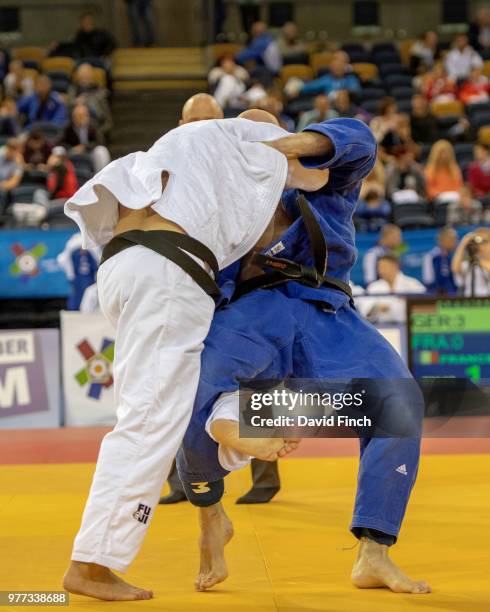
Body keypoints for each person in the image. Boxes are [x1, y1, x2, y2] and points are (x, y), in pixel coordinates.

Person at [61, 110, 331, 601]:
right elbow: (319, 170)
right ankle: (92, 563)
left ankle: (231, 447)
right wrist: (296, 143)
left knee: (170, 403)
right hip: (167, 271)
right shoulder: (250, 137)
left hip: (124, 267)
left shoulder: (178, 142)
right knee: (151, 420)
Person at [176, 113, 430, 595]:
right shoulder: (219, 208)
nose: (253, 144)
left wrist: (277, 151)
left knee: (399, 402)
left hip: (326, 310)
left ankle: (373, 552)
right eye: (243, 137)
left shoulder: (322, 186)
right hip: (249, 317)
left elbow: (359, 141)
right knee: (190, 387)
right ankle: (211, 515)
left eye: (265, 133)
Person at [365, 254, 426, 323]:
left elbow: (423, 306)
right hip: (383, 327)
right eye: (379, 267)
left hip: (407, 326)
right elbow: (366, 311)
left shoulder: (413, 284)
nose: (380, 270)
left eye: (384, 267)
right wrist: (376, 307)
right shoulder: (374, 287)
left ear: (395, 266)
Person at [61, 104, 111, 172]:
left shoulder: (93, 127)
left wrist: (85, 147)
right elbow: (60, 142)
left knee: (101, 150)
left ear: (87, 116)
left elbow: (100, 142)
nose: (80, 118)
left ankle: (101, 177)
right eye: (77, 116)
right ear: (73, 118)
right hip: (73, 153)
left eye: (83, 115)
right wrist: (72, 149)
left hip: (90, 152)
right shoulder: (68, 128)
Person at [57, 233, 100, 310]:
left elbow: (95, 265)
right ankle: (74, 308)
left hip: (88, 279)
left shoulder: (89, 255)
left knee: (88, 295)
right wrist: (70, 274)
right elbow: (63, 261)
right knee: (76, 294)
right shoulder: (75, 254)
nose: (82, 249)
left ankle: (86, 309)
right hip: (78, 279)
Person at [68, 63, 112, 135]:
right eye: (82, 72)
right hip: (75, 126)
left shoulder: (101, 91)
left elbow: (106, 118)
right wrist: (76, 102)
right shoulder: (73, 90)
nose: (84, 75)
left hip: (95, 126)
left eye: (87, 73)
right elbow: (68, 105)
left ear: (92, 74)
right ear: (78, 75)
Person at [451, 228, 490, 296]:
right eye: (478, 242)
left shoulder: (477, 261)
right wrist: (463, 243)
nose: (480, 245)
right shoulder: (470, 262)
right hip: (469, 302)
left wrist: (476, 259)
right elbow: (455, 268)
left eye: (484, 241)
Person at [422, 227, 458, 294]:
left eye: (455, 239)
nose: (455, 242)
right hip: (437, 297)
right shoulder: (431, 257)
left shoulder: (453, 257)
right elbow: (428, 280)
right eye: (452, 239)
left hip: (453, 296)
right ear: (442, 240)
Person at [0, 138, 23, 213]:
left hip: (5, 186)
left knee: (3, 193)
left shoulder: (18, 161)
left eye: (15, 151)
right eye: (10, 150)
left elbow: (14, 181)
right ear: (6, 148)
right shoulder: (0, 154)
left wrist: (3, 185)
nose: (12, 153)